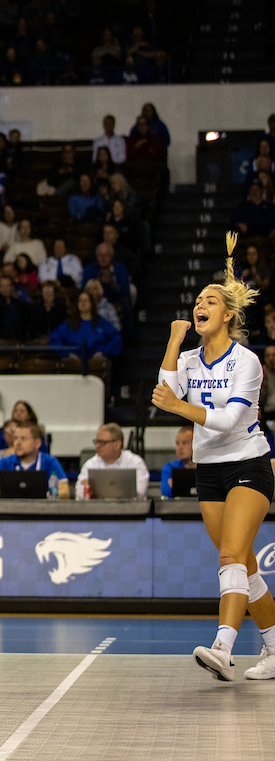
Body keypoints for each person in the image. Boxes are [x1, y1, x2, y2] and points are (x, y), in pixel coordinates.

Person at [152, 234, 275, 681]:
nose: (199, 305)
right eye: (196, 301)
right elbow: (165, 388)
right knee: (245, 565)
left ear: (228, 314)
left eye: (209, 300)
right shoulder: (188, 357)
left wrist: (178, 408)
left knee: (229, 555)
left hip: (248, 464)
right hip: (210, 470)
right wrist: (173, 338)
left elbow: (228, 422)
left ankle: (223, 646)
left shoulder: (247, 362)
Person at [0, 422, 69, 499]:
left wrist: (38, 497)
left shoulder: (49, 462)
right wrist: (16, 498)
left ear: (37, 443)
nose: (18, 443)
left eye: (23, 438)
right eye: (15, 438)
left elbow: (64, 491)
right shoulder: (4, 462)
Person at [75, 423, 149, 499]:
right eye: (96, 442)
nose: (97, 446)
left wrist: (97, 487)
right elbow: (79, 494)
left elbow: (140, 492)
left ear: (117, 445)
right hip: (99, 510)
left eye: (102, 442)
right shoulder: (90, 465)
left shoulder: (135, 463)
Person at [51, 291, 122, 363]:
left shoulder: (101, 322)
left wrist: (104, 352)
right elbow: (55, 339)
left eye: (86, 300)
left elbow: (116, 338)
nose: (83, 303)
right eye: (80, 300)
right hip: (74, 363)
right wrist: (67, 354)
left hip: (97, 363)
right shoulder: (69, 323)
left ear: (91, 304)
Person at [160, 425, 197, 499]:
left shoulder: (206, 467)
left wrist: (178, 485)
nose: (180, 448)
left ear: (196, 444)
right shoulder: (169, 468)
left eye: (185, 443)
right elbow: (166, 492)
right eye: (177, 443)